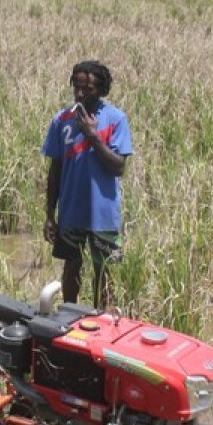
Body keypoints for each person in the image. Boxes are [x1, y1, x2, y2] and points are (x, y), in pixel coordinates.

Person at [42, 61, 133, 309]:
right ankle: (69, 316)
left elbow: (118, 167)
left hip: (103, 214)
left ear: (102, 91)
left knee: (103, 272)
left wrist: (92, 136)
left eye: (88, 89)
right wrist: (50, 215)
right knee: (71, 266)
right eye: (77, 88)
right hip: (71, 211)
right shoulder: (62, 120)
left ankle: (102, 323)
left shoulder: (116, 119)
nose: (81, 94)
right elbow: (55, 171)